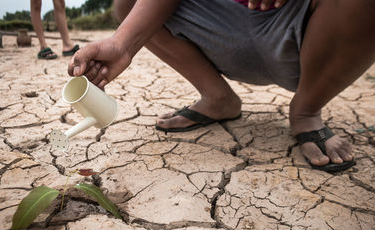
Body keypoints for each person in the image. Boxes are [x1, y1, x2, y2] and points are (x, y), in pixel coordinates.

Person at [67, 0, 375, 173]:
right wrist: (122, 44)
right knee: (127, 3)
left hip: (313, 32)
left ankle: (307, 109)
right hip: (224, 29)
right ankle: (217, 97)